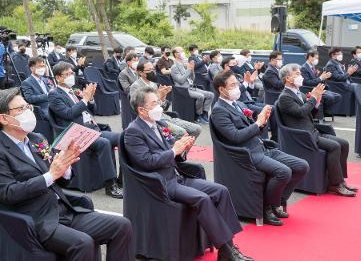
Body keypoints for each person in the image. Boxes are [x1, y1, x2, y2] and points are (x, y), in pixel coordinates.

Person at [0, 87, 134, 260]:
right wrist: (50, 175)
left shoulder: (37, 139)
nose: (28, 111)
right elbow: (8, 193)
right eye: (21, 109)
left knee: (122, 226)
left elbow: (60, 180)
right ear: (4, 118)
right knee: (83, 243)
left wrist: (65, 167)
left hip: (64, 210)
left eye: (27, 106)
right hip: (35, 219)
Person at [125, 86, 252, 261]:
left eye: (159, 102)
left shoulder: (160, 124)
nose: (159, 107)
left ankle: (229, 246)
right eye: (154, 103)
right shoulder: (133, 132)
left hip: (177, 176)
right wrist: (173, 151)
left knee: (221, 191)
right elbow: (146, 162)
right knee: (203, 199)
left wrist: (183, 148)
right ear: (141, 109)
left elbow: (175, 156)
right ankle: (226, 250)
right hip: (161, 183)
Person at [211, 70, 309, 226]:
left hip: (260, 146)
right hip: (246, 153)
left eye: (237, 83)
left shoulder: (239, 104)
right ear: (222, 89)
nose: (237, 87)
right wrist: (258, 123)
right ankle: (267, 207)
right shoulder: (218, 111)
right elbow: (235, 137)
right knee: (284, 172)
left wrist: (262, 121)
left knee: (302, 166)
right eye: (233, 85)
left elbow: (255, 129)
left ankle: (278, 200)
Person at [277, 64, 358, 197]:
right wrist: (313, 98)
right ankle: (336, 184)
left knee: (344, 143)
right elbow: (301, 112)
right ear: (288, 78)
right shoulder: (285, 97)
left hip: (311, 131)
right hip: (302, 136)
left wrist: (317, 101)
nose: (300, 76)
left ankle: (340, 180)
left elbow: (311, 114)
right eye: (297, 74)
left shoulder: (300, 94)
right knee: (335, 147)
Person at [48, 62, 123, 198]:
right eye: (68, 74)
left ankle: (121, 179)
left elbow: (92, 110)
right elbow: (68, 114)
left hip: (91, 128)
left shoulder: (74, 91)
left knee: (122, 138)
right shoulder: (54, 95)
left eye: (72, 73)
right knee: (104, 143)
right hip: (75, 133)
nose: (72, 76)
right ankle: (110, 185)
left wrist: (91, 99)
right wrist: (84, 100)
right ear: (58, 78)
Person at [130, 61, 202, 139]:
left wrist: (163, 96)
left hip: (163, 117)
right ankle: (171, 150)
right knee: (181, 132)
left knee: (196, 129)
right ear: (141, 72)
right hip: (151, 120)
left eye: (153, 69)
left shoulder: (153, 84)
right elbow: (137, 109)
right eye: (149, 70)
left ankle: (181, 151)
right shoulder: (136, 86)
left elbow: (162, 108)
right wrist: (158, 97)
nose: (152, 72)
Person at [171, 46, 214, 124]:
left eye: (182, 51)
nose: (182, 53)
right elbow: (180, 81)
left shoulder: (184, 64)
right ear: (175, 54)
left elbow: (192, 79)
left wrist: (192, 71)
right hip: (183, 90)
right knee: (200, 96)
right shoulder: (174, 67)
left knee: (210, 95)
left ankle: (204, 113)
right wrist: (188, 69)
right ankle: (198, 115)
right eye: (180, 51)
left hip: (191, 87)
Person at [300, 50, 341, 116]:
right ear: (310, 57)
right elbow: (307, 82)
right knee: (330, 97)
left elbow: (317, 80)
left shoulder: (312, 67)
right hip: (310, 90)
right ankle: (323, 112)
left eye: (317, 58)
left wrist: (324, 77)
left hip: (318, 88)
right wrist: (321, 78)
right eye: (316, 58)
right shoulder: (304, 68)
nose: (317, 60)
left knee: (338, 96)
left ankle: (324, 111)